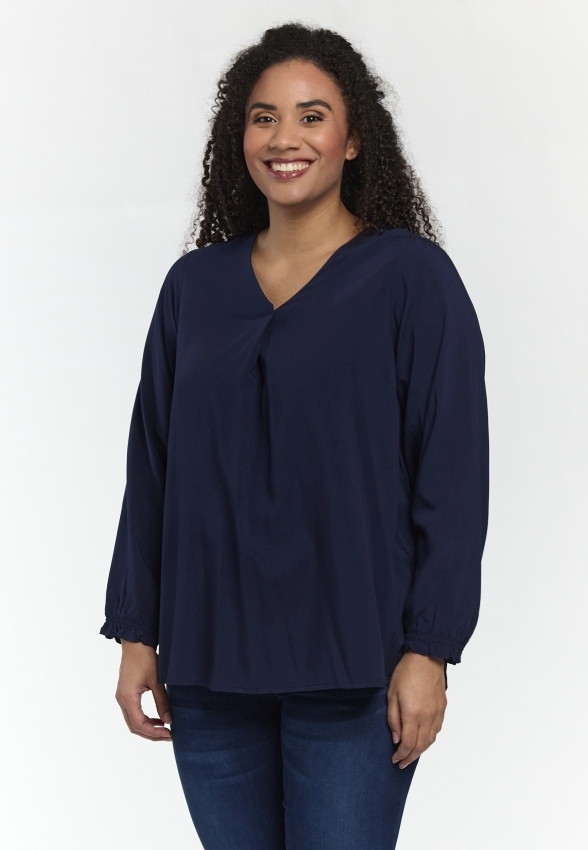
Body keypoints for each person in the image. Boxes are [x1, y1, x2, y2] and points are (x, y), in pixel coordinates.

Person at [99, 22, 489, 850]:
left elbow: (452, 477)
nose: (286, 138)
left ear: (354, 139)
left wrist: (430, 649)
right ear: (237, 137)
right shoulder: (194, 287)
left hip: (355, 666)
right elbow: (153, 466)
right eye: (264, 117)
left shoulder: (410, 278)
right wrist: (136, 633)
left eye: (313, 116)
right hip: (208, 664)